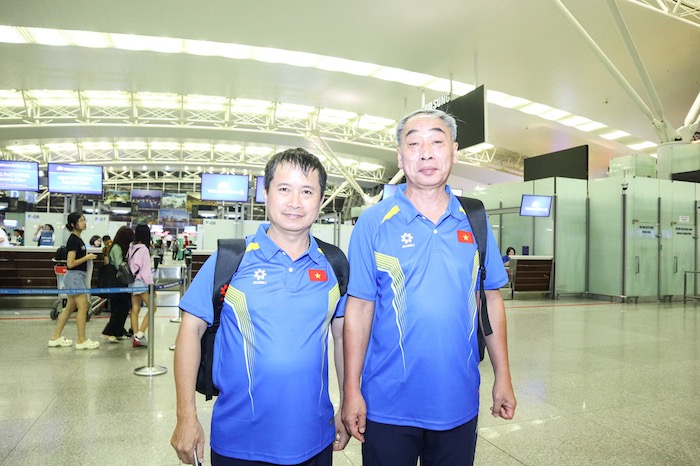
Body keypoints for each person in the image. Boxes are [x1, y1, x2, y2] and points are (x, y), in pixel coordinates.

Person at [341, 109, 516, 466]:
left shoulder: (475, 220)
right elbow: (358, 310)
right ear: (400, 156)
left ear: (454, 150)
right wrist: (351, 390)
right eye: (414, 143)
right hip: (387, 405)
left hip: (458, 401)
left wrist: (504, 378)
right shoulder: (374, 222)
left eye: (437, 141)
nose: (426, 152)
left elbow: (491, 300)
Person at [171, 148, 349, 465]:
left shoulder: (334, 264)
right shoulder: (231, 260)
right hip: (240, 443)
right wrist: (186, 416)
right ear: (265, 193)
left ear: (320, 200)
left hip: (315, 439)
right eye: (284, 189)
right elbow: (189, 332)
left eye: (307, 191)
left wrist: (348, 400)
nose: (295, 202)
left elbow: (342, 339)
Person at [48, 213, 100, 350]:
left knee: (70, 307)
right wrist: (87, 257)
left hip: (77, 277)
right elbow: (70, 263)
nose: (84, 223)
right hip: (75, 276)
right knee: (83, 306)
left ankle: (55, 337)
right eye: (81, 221)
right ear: (73, 224)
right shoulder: (73, 241)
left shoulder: (78, 240)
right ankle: (82, 340)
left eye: (84, 220)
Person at [101, 226, 134, 342]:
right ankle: (109, 331)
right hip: (117, 282)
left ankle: (118, 331)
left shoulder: (119, 247)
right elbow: (119, 264)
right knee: (121, 306)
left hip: (120, 282)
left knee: (120, 307)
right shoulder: (116, 248)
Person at [128, 224, 155, 347]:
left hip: (132, 281)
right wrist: (151, 286)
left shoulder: (131, 246)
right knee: (153, 307)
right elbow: (146, 271)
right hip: (141, 282)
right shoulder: (144, 249)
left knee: (135, 308)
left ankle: (135, 337)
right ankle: (140, 334)